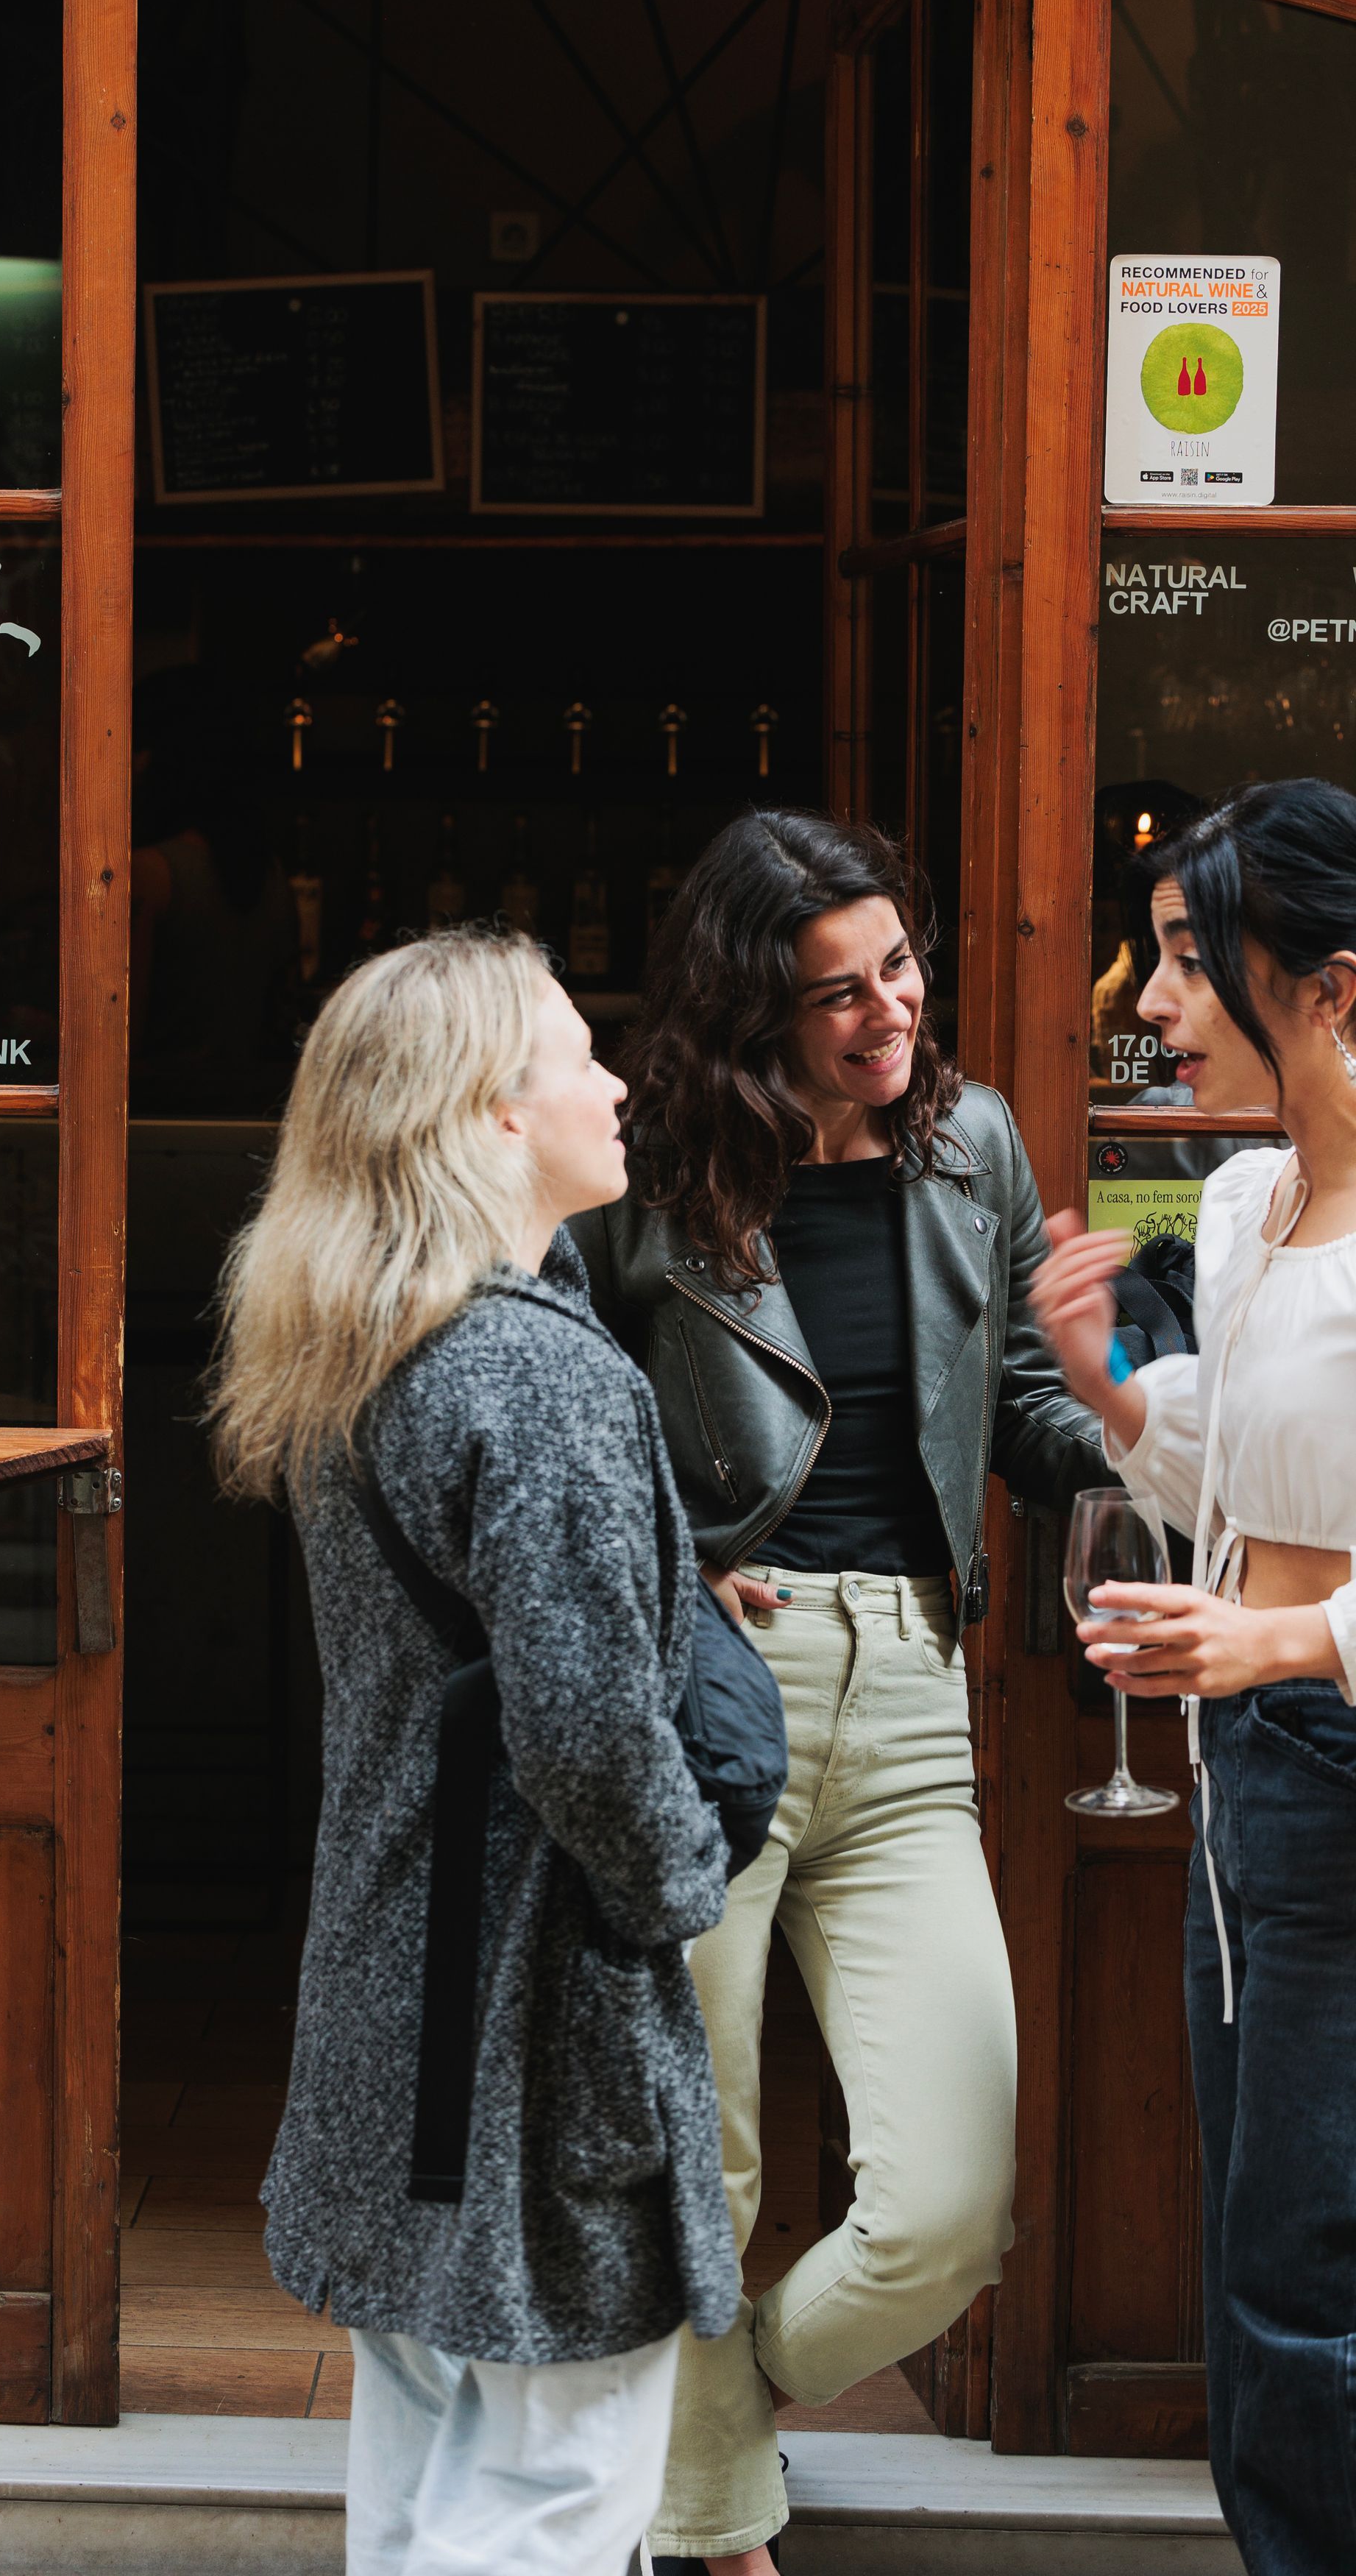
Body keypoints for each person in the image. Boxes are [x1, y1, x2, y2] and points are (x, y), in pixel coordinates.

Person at [571, 810, 1105, 2576]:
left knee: (954, 2196)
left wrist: (1136, 1438)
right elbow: (553, 1409)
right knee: (695, 2153)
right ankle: (716, 2530)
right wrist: (662, 1556)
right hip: (705, 1687)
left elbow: (1022, 1401)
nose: (888, 1012)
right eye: (836, 993)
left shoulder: (969, 1145)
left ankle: (690, 2408)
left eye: (897, 965)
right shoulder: (642, 1168)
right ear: (747, 1012)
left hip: (909, 1690)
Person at [208, 928, 742, 2576]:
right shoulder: (536, 1376)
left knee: (425, 2483)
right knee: (552, 2501)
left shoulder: (368, 1350)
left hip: (397, 2001)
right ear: (490, 1116)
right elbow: (583, 1734)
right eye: (579, 1052)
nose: (614, 1081)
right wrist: (681, 1885)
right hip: (532, 2022)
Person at [1029, 777, 1356, 2576]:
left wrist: (1288, 1640)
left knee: (1307, 2266)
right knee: (1256, 2250)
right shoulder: (1239, 1206)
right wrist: (1104, 1385)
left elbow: (1287, 1581)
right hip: (1249, 1757)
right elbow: (1224, 1478)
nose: (1146, 1004)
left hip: (1322, 1740)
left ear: (1328, 986)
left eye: (1181, 960)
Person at [130, 662, 298, 1113]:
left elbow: (120, 1038)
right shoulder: (269, 871)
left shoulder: (150, 873)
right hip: (242, 1116)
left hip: (154, 1119)